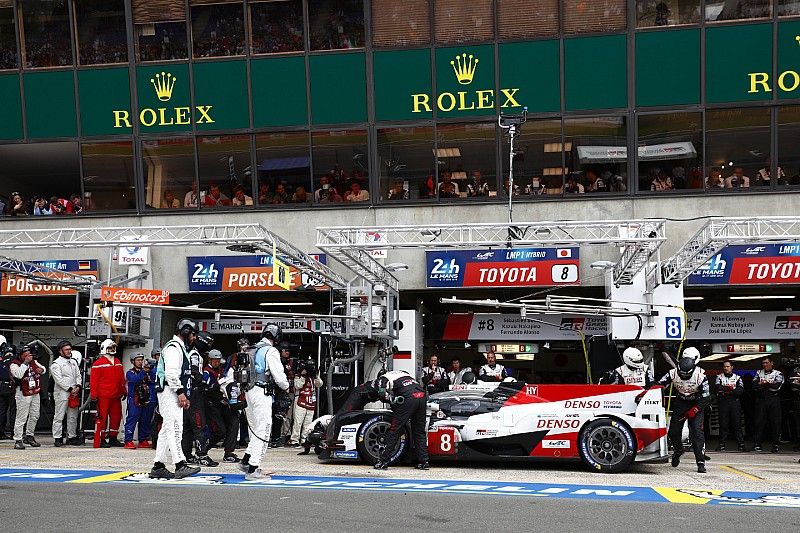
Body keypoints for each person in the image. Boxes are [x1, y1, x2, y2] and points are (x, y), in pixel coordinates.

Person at [150, 318, 201, 480]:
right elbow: (171, 374)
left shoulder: (178, 347)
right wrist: (180, 392)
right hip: (169, 391)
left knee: (166, 429)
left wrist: (181, 393)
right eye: (193, 334)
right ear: (186, 332)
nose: (194, 338)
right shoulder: (173, 348)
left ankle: (158, 465)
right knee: (174, 428)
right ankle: (180, 464)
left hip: (170, 391)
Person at [239, 324, 289, 480]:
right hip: (262, 392)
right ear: (277, 337)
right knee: (265, 429)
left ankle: (246, 460)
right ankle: (253, 468)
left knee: (255, 428)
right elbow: (280, 378)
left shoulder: (250, 348)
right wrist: (286, 387)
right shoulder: (271, 351)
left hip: (248, 392)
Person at [658, 347, 711, 473]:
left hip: (696, 403)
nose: (684, 376)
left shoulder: (701, 376)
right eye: (682, 374)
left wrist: (695, 409)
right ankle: (678, 450)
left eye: (687, 375)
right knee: (673, 432)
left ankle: (700, 463)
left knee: (697, 433)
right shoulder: (673, 372)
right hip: (681, 402)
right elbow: (659, 384)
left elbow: (707, 397)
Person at [373, 370, 429, 470]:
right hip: (421, 395)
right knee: (419, 431)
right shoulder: (403, 373)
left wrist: (390, 400)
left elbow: (382, 394)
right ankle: (424, 461)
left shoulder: (383, 378)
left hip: (408, 397)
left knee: (394, 429)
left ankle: (383, 461)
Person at [182, 331, 218, 466]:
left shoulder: (191, 352)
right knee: (199, 425)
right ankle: (201, 455)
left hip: (188, 394)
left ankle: (186, 455)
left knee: (187, 427)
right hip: (194, 394)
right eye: (208, 342)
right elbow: (194, 373)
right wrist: (205, 381)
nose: (209, 345)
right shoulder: (195, 354)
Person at [203, 349, 240, 463]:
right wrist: (217, 385)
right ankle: (202, 450)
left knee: (234, 421)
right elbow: (206, 385)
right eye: (215, 360)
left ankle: (229, 452)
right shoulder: (207, 371)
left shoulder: (222, 370)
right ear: (210, 359)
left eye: (218, 360)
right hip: (211, 404)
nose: (217, 362)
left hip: (222, 403)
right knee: (219, 430)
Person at [90, 339, 127, 448]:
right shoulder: (98, 363)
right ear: (104, 349)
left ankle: (113, 438)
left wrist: (123, 390)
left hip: (116, 395)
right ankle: (101, 439)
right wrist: (94, 395)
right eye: (110, 348)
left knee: (116, 416)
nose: (112, 350)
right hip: (103, 395)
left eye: (113, 348)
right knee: (102, 417)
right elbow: (94, 381)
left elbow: (121, 378)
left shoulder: (117, 361)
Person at [10, 344, 46, 449]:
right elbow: (19, 374)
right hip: (22, 392)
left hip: (35, 391)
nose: (28, 357)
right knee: (21, 417)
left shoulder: (33, 361)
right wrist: (25, 363)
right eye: (25, 355)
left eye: (29, 354)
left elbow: (43, 368)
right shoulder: (14, 364)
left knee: (35, 415)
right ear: (20, 355)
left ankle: (29, 435)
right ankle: (18, 439)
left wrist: (41, 370)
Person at [50, 340, 82, 447]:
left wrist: (78, 386)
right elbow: (58, 380)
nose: (69, 351)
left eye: (70, 349)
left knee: (73, 416)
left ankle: (71, 436)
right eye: (66, 349)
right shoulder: (56, 364)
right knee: (59, 416)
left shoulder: (73, 362)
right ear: (60, 351)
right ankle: (58, 438)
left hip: (73, 392)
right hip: (62, 393)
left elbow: (78, 375)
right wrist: (69, 389)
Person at [752, 356, 784, 453]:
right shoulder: (759, 372)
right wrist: (766, 385)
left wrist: (763, 384)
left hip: (773, 399)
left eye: (766, 363)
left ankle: (775, 444)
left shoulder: (778, 373)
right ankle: (757, 444)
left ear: (772, 363)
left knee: (775, 422)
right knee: (759, 422)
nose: (765, 365)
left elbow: (777, 386)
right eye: (763, 363)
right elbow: (754, 385)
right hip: (762, 399)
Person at [290, 360, 323, 448]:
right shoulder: (298, 375)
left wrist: (316, 375)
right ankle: (294, 440)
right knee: (298, 422)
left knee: (308, 423)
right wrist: (303, 376)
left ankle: (304, 440)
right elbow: (297, 386)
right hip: (300, 400)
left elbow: (320, 384)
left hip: (310, 402)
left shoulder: (313, 376)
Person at [124, 353, 153, 450]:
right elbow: (135, 380)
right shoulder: (130, 373)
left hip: (144, 399)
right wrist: (143, 372)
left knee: (145, 420)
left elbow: (152, 380)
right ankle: (128, 440)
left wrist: (150, 368)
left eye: (141, 360)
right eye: (138, 360)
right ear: (133, 362)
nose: (140, 362)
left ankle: (142, 439)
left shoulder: (146, 372)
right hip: (134, 400)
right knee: (132, 420)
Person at [715, 360, 745, 452]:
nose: (726, 368)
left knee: (737, 424)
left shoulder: (738, 377)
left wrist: (726, 390)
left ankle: (741, 445)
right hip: (723, 402)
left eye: (728, 366)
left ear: (732, 367)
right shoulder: (719, 377)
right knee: (723, 424)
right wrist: (732, 388)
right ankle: (721, 445)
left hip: (734, 403)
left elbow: (740, 391)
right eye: (724, 366)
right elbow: (718, 388)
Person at [0, 338, 14, 440]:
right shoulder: (15, 361)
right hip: (12, 387)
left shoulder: (1, 361)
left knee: (2, 411)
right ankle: (14, 433)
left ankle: (1, 432)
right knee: (13, 411)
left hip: (1, 387)